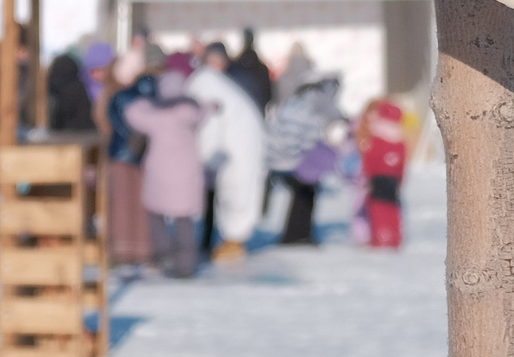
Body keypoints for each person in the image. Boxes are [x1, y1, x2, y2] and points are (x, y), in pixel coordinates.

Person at [122, 64, 206, 277]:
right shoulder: (191, 113)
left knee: (156, 215)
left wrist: (144, 100)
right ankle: (186, 264)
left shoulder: (157, 117)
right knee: (185, 221)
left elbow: (132, 114)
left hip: (160, 175)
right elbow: (208, 109)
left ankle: (164, 254)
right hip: (186, 176)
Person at [185, 46, 266, 261]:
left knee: (236, 191)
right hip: (239, 144)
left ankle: (233, 240)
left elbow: (211, 123)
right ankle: (231, 238)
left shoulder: (205, 84)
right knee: (236, 190)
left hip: (234, 147)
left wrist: (203, 156)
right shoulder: (217, 82)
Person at [265, 68, 347, 247]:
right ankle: (295, 235)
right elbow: (289, 140)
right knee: (304, 190)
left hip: (293, 162)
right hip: (285, 163)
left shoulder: (307, 109)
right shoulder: (299, 109)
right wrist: (299, 162)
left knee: (309, 191)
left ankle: (300, 233)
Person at [103, 42, 160, 270]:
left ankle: (121, 249)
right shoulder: (150, 91)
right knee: (142, 204)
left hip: (119, 154)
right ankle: (143, 249)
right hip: (144, 156)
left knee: (120, 204)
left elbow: (112, 124)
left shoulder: (117, 95)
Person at [357, 97, 411, 248]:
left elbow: (371, 158)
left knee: (378, 207)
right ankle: (394, 236)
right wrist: (400, 179)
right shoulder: (400, 138)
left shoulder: (376, 135)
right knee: (393, 208)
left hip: (377, 177)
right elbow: (402, 163)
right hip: (393, 178)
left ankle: (380, 236)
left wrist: (367, 174)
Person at [45, 52, 96, 134]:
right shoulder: (79, 87)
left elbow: (59, 119)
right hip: (85, 134)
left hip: (71, 136)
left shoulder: (63, 91)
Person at [226, 27, 275, 113]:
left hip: (240, 111)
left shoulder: (235, 66)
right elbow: (269, 96)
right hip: (257, 110)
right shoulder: (262, 68)